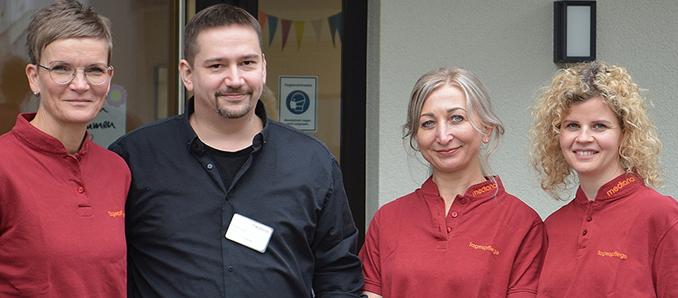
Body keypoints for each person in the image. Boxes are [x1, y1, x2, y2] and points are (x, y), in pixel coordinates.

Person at [108, 4, 364, 297]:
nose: (235, 79)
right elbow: (108, 268)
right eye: (217, 65)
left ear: (263, 68)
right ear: (187, 74)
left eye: (247, 63)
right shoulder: (135, 158)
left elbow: (339, 277)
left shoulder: (313, 162)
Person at [359, 67, 547, 298]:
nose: (443, 136)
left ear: (486, 129)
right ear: (416, 138)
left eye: (456, 118)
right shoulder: (387, 220)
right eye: (428, 123)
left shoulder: (522, 223)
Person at [0, 1, 129, 296]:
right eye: (61, 69)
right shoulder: (3, 165)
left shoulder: (117, 170)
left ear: (108, 79)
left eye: (94, 70)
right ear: (34, 77)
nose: (80, 84)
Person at [529, 61, 678, 297]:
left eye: (599, 126)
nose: (584, 137)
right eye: (572, 126)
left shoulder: (662, 216)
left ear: (624, 134)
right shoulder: (552, 227)